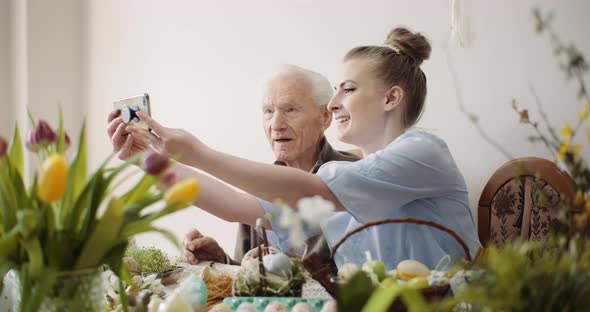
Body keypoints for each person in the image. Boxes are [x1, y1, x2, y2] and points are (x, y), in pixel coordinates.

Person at [117, 26, 482, 270]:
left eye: (348, 89)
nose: (334, 103)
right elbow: (238, 208)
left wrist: (196, 152)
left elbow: (311, 191)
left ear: (392, 98)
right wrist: (148, 160)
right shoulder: (350, 182)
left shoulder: (423, 152)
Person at [178, 65, 359, 266]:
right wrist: (223, 261)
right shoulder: (259, 185)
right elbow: (250, 277)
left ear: (325, 117)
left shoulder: (354, 175)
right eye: (268, 111)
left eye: (290, 110)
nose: (276, 124)